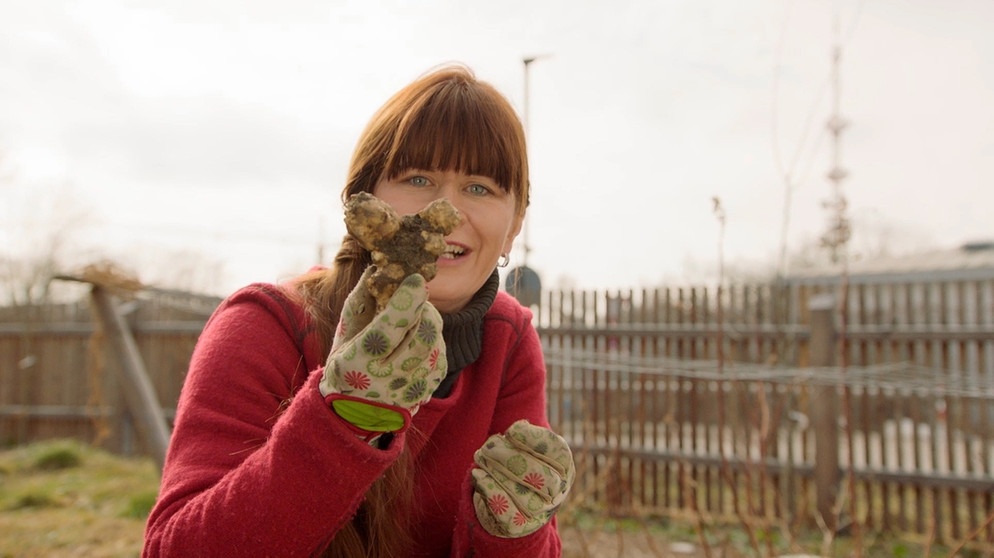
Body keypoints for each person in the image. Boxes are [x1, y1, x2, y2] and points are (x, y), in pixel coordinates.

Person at [143, 64, 575, 558]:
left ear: (515, 223)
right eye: (418, 178)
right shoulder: (263, 325)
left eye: (480, 187)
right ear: (363, 206)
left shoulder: (509, 339)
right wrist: (341, 419)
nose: (447, 210)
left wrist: (512, 530)